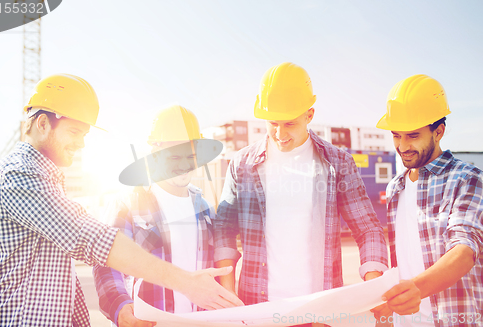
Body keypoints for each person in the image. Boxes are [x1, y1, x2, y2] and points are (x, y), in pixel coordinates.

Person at [0, 75, 242, 327]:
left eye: (84, 134)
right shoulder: (18, 177)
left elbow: (54, 276)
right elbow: (93, 241)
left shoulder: (204, 207)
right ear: (41, 124)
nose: (81, 144)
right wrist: (181, 284)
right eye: (75, 131)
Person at [213, 62, 389, 325]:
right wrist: (227, 297)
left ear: (309, 115)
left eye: (289, 124)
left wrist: (375, 291)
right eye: (272, 123)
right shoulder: (243, 164)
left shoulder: (338, 163)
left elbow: (368, 229)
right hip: (257, 310)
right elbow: (224, 229)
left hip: (319, 311)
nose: (280, 134)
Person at [93, 105, 220, 327]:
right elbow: (106, 264)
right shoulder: (128, 204)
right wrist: (120, 305)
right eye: (173, 157)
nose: (183, 165)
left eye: (190, 156)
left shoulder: (206, 210)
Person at [372, 74, 483, 326]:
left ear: (439, 131)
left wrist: (416, 289)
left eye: (412, 135)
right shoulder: (395, 188)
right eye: (396, 136)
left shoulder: (467, 179)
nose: (402, 146)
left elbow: (465, 249)